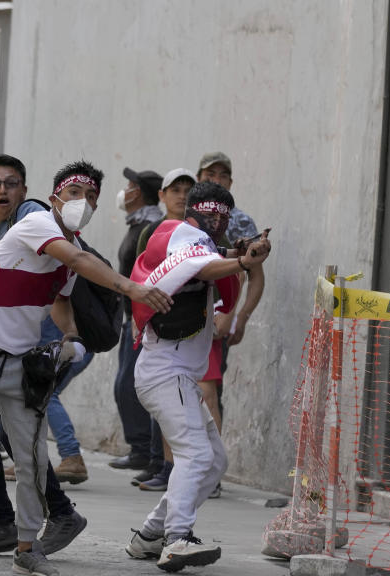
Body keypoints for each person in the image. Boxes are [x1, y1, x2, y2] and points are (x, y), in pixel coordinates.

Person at [0, 160, 173, 576]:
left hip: (18, 364)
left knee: (32, 458)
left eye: (92, 196)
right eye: (76, 193)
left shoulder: (67, 248)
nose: (84, 202)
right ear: (56, 193)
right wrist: (133, 288)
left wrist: (72, 340)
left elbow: (59, 300)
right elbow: (77, 260)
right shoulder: (39, 223)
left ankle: (27, 546)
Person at [0, 155, 88, 556]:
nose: (3, 191)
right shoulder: (6, 224)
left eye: (11, 183)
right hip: (10, 351)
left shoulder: (31, 213)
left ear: (26, 190)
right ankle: (13, 520)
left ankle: (20, 519)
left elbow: (53, 266)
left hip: (29, 352)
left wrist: (71, 335)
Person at [125, 181, 270, 571]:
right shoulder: (176, 233)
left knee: (214, 461)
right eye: (210, 212)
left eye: (224, 215)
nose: (217, 220)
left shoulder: (202, 245)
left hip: (178, 376)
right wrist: (241, 261)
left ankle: (149, 536)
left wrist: (240, 256)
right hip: (163, 371)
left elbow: (209, 259)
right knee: (197, 454)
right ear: (192, 210)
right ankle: (177, 538)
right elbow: (198, 264)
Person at [195, 151, 265, 499]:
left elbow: (255, 276)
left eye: (224, 175)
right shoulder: (186, 218)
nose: (216, 180)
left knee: (208, 393)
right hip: (179, 319)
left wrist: (239, 318)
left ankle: (211, 472)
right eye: (210, 174)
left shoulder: (239, 224)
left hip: (216, 322)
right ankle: (172, 466)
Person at [132, 167, 196, 492]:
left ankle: (184, 469)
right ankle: (164, 464)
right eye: (175, 189)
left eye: (188, 189)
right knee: (164, 400)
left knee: (195, 400)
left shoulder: (202, 231)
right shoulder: (153, 232)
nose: (182, 195)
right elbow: (140, 278)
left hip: (196, 330)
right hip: (160, 328)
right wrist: (137, 321)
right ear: (162, 195)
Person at [110, 167, 164, 472]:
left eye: (130, 185)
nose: (125, 190)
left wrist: (138, 318)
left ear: (139, 192)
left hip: (141, 319)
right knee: (124, 384)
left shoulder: (151, 226)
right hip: (129, 317)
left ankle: (146, 450)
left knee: (130, 385)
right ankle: (140, 448)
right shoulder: (137, 224)